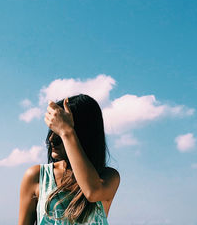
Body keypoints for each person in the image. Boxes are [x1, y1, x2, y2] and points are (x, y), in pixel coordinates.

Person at [18, 94, 120, 224]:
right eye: (53, 130)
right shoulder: (38, 176)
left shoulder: (108, 177)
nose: (51, 140)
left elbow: (92, 192)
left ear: (84, 135)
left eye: (59, 133)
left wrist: (66, 132)